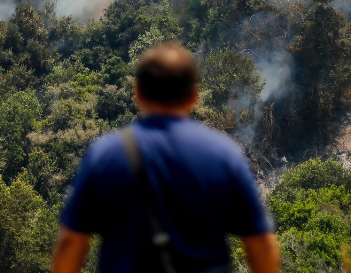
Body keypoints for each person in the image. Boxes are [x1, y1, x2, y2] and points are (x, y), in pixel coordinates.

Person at [52, 42, 280, 273]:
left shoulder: (104, 154)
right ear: (193, 96)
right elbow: (261, 244)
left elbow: (71, 243)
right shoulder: (224, 154)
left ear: (138, 93)